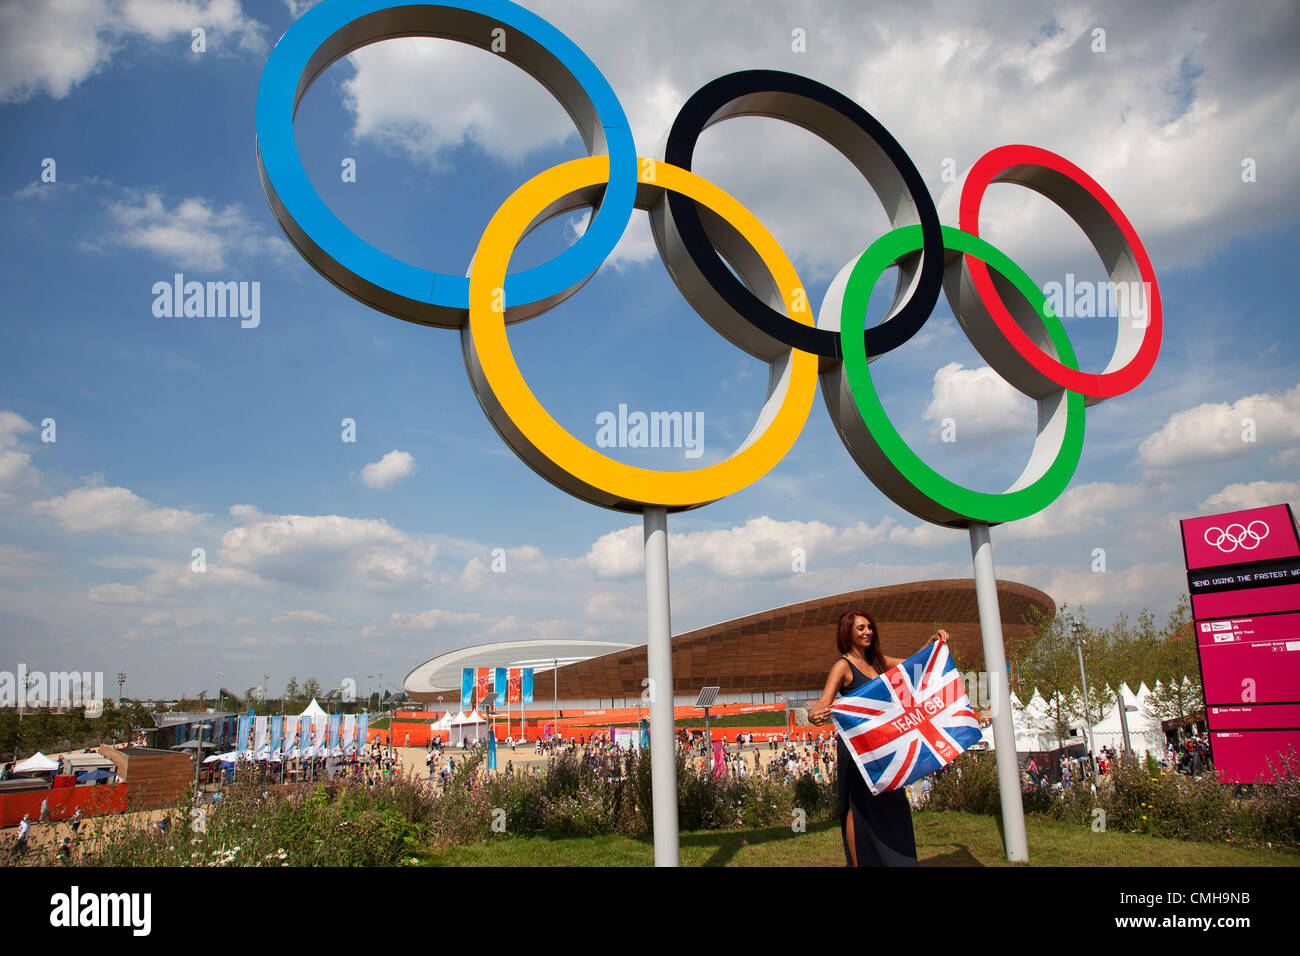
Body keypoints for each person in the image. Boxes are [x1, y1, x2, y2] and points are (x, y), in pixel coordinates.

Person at [811, 610, 945, 867]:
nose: (868, 631)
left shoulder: (877, 661)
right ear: (847, 631)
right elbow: (821, 706)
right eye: (861, 628)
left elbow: (912, 666)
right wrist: (815, 715)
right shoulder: (842, 665)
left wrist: (932, 645)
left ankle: (894, 858)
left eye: (870, 627)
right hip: (855, 749)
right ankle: (860, 862)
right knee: (858, 805)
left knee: (891, 801)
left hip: (883, 746)